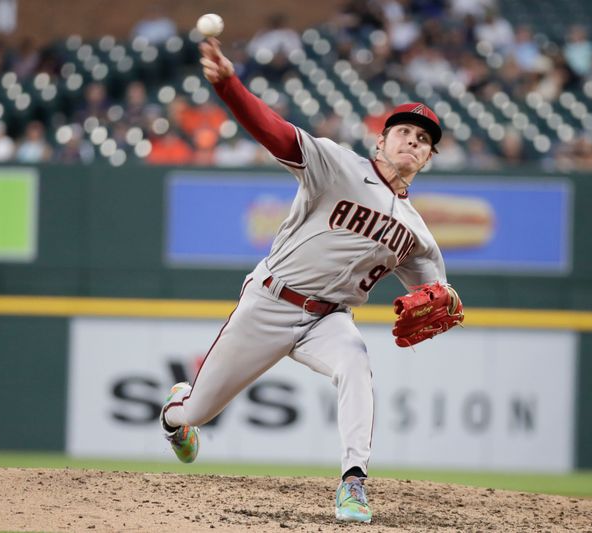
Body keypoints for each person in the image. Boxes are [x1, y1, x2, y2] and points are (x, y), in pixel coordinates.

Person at [159, 37, 462, 524]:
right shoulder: (337, 165)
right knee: (196, 413)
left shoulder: (418, 235)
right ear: (379, 141)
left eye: (424, 140)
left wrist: (441, 301)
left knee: (357, 363)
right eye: (404, 131)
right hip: (269, 303)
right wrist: (229, 85)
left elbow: (433, 294)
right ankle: (175, 414)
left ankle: (353, 483)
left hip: (328, 320)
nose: (413, 141)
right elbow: (274, 133)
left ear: (427, 159)